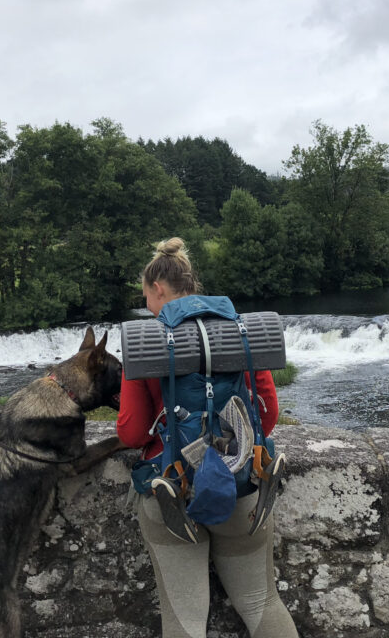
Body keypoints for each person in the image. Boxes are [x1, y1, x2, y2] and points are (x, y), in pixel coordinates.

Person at [117, 237, 299, 638]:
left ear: (158, 289)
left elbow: (131, 433)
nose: (146, 304)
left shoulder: (145, 341)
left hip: (173, 491)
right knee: (261, 604)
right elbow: (267, 416)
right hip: (243, 484)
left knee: (184, 619)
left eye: (145, 295)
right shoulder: (244, 332)